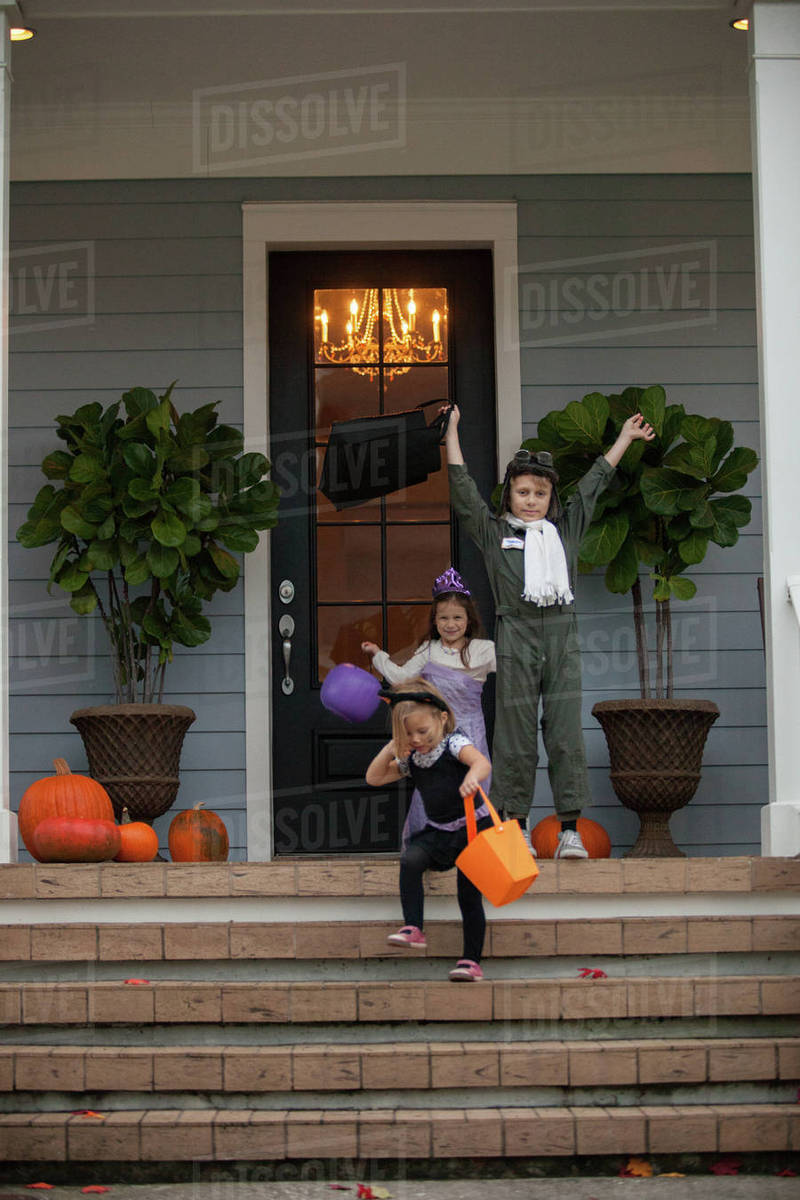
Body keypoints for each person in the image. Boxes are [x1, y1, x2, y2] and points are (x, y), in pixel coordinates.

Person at [444, 404, 655, 859]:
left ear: (550, 498)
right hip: (516, 635)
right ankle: (516, 826)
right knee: (515, 737)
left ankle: (570, 832)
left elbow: (594, 485)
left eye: (540, 492)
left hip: (562, 638)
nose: (532, 499)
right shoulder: (494, 531)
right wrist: (452, 433)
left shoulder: (566, 530)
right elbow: (464, 493)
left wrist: (624, 438)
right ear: (510, 496)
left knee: (564, 736)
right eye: (523, 492)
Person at [365, 677, 492, 982]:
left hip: (473, 830)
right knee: (411, 859)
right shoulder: (415, 757)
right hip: (439, 832)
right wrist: (392, 747)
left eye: (422, 731)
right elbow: (374, 778)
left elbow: (482, 762)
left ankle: (471, 962)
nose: (417, 739)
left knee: (468, 895)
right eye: (409, 734)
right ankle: (413, 928)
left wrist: (473, 776)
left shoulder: (454, 742)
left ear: (442, 718)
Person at [361, 567, 496, 842]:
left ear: (468, 620)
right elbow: (400, 677)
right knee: (435, 789)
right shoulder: (429, 651)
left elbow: (515, 666)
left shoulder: (484, 650)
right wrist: (377, 655)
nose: (450, 624)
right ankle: (429, 848)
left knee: (472, 789)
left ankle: (471, 852)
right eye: (443, 618)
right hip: (437, 735)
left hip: (471, 731)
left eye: (458, 617)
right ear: (434, 621)